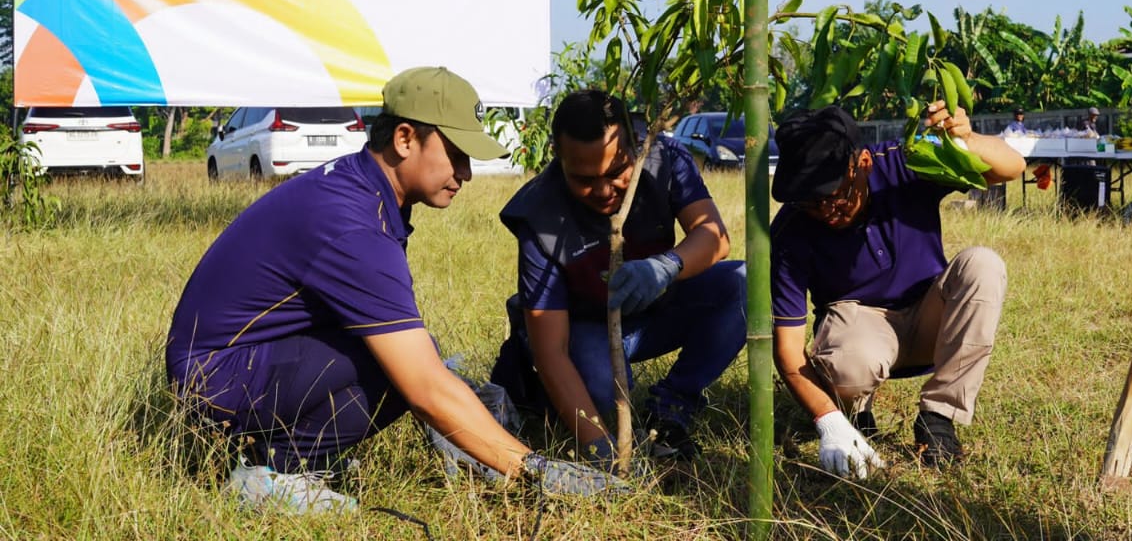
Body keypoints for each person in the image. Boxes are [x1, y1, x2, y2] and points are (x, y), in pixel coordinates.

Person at [166, 67, 622, 514]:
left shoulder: (361, 188)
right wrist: (534, 470)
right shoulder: (352, 224)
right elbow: (424, 386)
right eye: (456, 155)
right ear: (404, 139)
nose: (465, 173)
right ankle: (275, 471)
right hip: (214, 377)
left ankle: (285, 457)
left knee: (409, 355)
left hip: (241, 361)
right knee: (401, 367)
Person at [491, 90, 746, 466]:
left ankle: (673, 402)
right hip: (581, 327)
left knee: (744, 283)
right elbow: (551, 351)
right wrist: (601, 449)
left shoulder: (665, 160)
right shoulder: (538, 216)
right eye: (583, 179)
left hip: (654, 311)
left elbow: (715, 237)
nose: (603, 191)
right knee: (599, 390)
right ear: (558, 157)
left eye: (616, 172)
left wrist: (666, 266)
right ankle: (540, 395)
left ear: (636, 147)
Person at [769, 103, 1026, 475]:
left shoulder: (904, 163)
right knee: (848, 366)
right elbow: (788, 351)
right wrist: (828, 420)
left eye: (835, 195)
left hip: (929, 314)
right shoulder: (791, 230)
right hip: (857, 329)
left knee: (983, 265)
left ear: (862, 164)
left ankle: (939, 417)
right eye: (811, 202)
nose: (826, 210)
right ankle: (854, 412)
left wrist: (966, 138)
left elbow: (1011, 167)